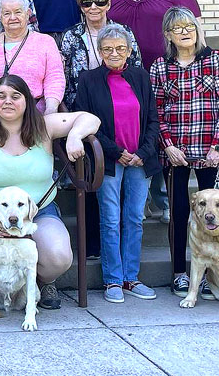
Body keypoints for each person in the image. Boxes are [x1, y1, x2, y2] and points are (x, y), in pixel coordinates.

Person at [0, 74, 100, 310]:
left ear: (27, 100)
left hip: (36, 209)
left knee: (59, 256)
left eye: (15, 96)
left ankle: (42, 281)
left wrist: (75, 137)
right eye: (1, 96)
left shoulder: (44, 127)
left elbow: (90, 119)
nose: (8, 101)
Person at [109, 0, 201, 223]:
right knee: (132, 135)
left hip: (168, 73)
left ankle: (165, 199)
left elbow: (195, 27)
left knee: (162, 134)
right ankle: (139, 200)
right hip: (125, 78)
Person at [150, 7, 219, 300]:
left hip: (211, 150)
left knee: (213, 213)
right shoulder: (160, 66)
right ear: (168, 35)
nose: (185, 32)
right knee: (181, 212)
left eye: (189, 26)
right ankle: (179, 274)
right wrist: (168, 145)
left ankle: (211, 275)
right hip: (176, 152)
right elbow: (156, 111)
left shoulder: (215, 60)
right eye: (177, 28)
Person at [73, 24, 160, 303]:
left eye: (120, 48)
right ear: (99, 51)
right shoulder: (89, 80)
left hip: (140, 159)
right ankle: (113, 280)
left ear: (129, 50)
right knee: (110, 219)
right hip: (110, 160)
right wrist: (116, 151)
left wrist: (143, 152)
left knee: (134, 218)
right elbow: (85, 123)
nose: (114, 53)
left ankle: (131, 278)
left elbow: (152, 120)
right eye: (108, 48)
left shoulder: (141, 77)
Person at [0, 0, 64, 114]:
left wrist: (51, 109)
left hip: (34, 115)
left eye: (18, 12)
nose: (12, 17)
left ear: (28, 14)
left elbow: (54, 78)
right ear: (0, 16)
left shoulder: (45, 42)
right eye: (7, 13)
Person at [60, 0, 139, 107]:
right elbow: (64, 77)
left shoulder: (124, 32)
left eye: (100, 2)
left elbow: (136, 68)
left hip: (119, 103)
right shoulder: (71, 36)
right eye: (87, 3)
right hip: (81, 105)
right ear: (81, 7)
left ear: (108, 5)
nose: (93, 7)